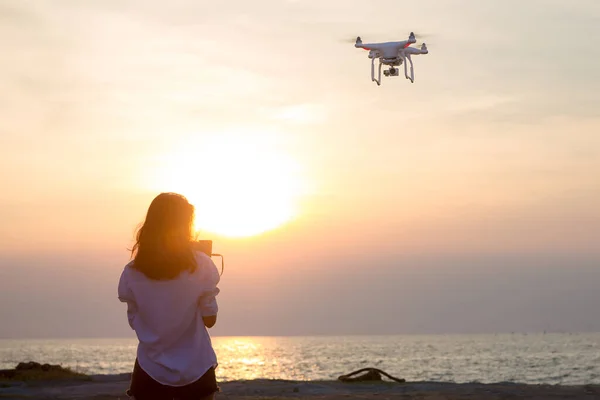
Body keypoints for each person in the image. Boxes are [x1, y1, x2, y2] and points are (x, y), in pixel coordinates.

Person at [118, 192, 221, 400]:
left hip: (150, 370)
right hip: (196, 368)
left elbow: (135, 321)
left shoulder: (131, 272)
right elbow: (210, 320)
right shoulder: (201, 265)